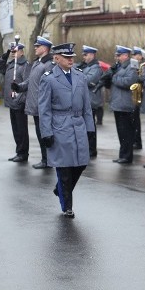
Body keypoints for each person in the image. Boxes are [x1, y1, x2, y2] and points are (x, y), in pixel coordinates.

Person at [38, 43, 95, 219]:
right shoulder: (48, 79)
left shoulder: (80, 76)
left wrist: (90, 129)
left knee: (81, 163)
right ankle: (67, 206)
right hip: (59, 125)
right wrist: (46, 132)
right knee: (64, 167)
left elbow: (87, 106)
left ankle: (60, 189)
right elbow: (44, 109)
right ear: (56, 58)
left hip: (78, 124)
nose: (71, 60)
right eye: (67, 57)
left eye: (72, 57)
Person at [22, 36, 54, 169]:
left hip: (43, 106)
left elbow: (50, 85)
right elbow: (31, 81)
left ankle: (48, 160)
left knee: (45, 134)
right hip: (36, 105)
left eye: (38, 46)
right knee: (40, 133)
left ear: (45, 48)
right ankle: (45, 159)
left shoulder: (49, 64)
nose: (35, 48)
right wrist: (19, 87)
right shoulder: (38, 63)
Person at [0, 42, 31, 162]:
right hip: (12, 102)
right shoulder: (11, 64)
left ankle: (23, 153)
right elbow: (0, 68)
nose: (13, 54)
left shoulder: (25, 65)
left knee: (21, 129)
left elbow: (27, 83)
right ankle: (19, 151)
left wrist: (20, 98)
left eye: (15, 51)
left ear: (21, 52)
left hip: (19, 101)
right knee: (15, 129)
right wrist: (5, 55)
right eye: (12, 52)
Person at [110, 45, 139, 164]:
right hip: (118, 104)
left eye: (119, 55)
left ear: (126, 55)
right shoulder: (119, 67)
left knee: (126, 133)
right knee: (121, 132)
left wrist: (114, 78)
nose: (117, 58)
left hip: (126, 105)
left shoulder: (131, 67)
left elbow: (129, 82)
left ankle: (127, 156)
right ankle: (122, 154)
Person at [78, 45, 104, 159]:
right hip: (84, 101)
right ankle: (86, 148)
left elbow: (88, 80)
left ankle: (91, 149)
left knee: (90, 127)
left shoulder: (96, 68)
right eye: (83, 54)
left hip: (91, 101)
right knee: (84, 127)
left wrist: (78, 73)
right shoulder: (85, 66)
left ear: (92, 55)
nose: (84, 57)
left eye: (86, 55)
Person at [131, 46, 145, 150]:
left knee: (135, 119)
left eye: (137, 55)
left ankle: (137, 141)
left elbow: (143, 78)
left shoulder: (143, 66)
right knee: (133, 119)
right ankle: (134, 140)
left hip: (139, 94)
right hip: (133, 93)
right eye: (135, 55)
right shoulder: (133, 65)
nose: (136, 57)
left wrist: (137, 76)